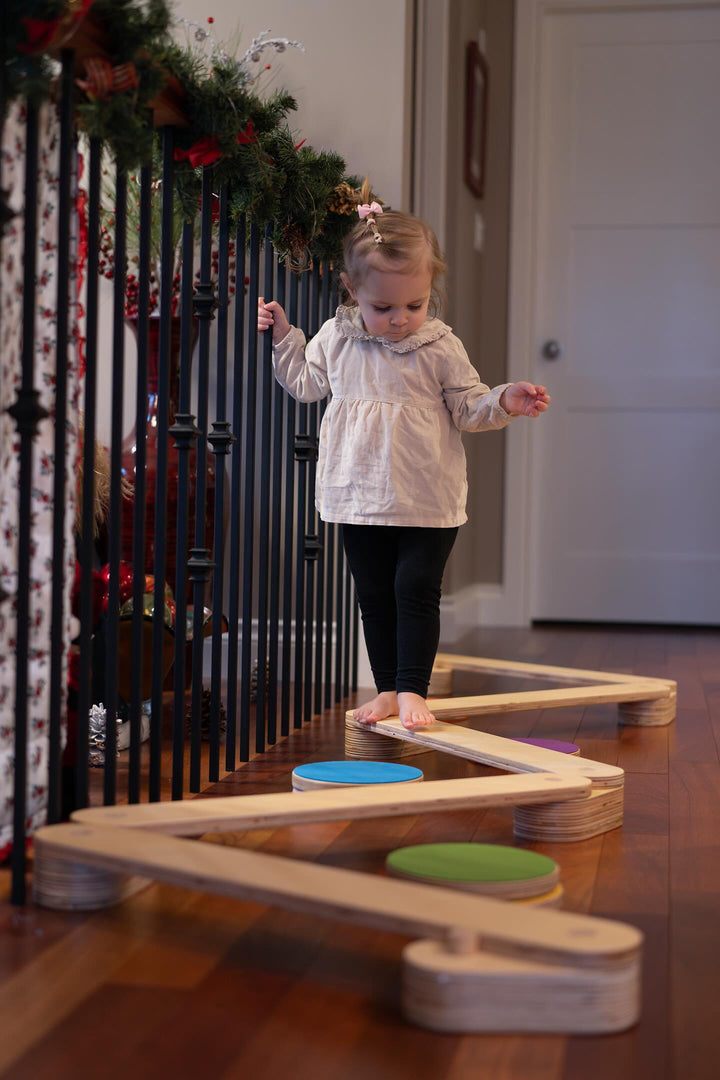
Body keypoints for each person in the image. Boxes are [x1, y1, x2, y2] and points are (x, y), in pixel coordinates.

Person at [257, 186, 550, 730]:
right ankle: (387, 689)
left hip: (426, 494)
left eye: (415, 305)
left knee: (414, 589)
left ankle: (414, 689)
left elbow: (468, 406)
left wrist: (505, 399)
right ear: (351, 290)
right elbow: (305, 384)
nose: (399, 319)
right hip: (358, 493)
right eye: (383, 308)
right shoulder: (337, 337)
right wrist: (283, 337)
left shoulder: (439, 346)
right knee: (373, 595)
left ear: (430, 290)